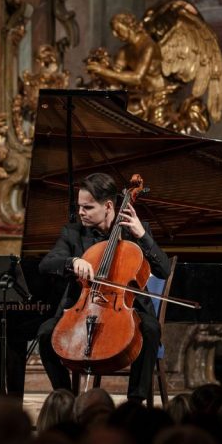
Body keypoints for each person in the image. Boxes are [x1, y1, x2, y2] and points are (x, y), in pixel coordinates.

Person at [37, 172, 170, 403]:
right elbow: (46, 264)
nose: (80, 212)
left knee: (150, 330)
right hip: (81, 310)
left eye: (87, 207)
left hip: (128, 310)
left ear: (108, 206)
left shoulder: (136, 230)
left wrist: (143, 236)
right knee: (45, 332)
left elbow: (164, 271)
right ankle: (65, 398)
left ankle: (135, 404)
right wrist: (72, 261)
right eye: (80, 206)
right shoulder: (73, 233)